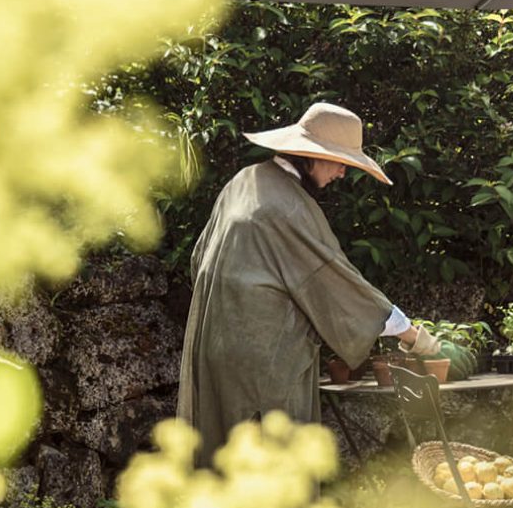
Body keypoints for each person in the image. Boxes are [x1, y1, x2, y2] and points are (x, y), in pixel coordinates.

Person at [177, 101, 441, 465]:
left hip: (216, 349)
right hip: (264, 362)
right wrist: (410, 334)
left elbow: (198, 261)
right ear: (309, 156)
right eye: (340, 162)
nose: (343, 174)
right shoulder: (290, 207)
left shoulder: (243, 183)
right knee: (272, 470)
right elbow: (336, 282)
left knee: (224, 466)